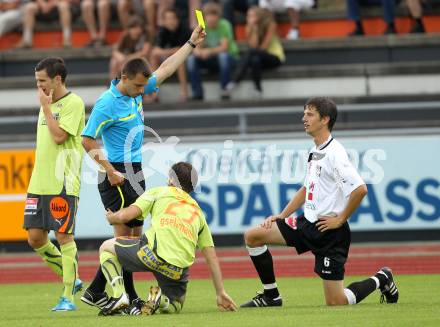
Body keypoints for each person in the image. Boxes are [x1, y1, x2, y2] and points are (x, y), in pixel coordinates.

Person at [80, 25, 206, 315]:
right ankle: (125, 295)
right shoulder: (106, 103)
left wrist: (190, 43)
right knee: (124, 240)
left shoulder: (136, 87)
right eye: (138, 86)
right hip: (117, 173)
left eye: (143, 86)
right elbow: (86, 139)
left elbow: (164, 69)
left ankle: (98, 291)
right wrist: (109, 171)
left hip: (134, 171)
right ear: (123, 78)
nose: (142, 92)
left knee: (133, 240)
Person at [240, 97, 399, 308]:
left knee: (336, 301)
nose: (303, 118)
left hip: (330, 233)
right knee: (253, 236)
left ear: (325, 119)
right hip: (307, 223)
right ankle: (271, 296)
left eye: (309, 114)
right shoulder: (315, 150)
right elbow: (307, 188)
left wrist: (340, 219)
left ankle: (382, 278)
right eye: (304, 113)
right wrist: (283, 215)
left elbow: (360, 189)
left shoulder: (336, 154)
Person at [97, 162, 237, 315]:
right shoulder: (198, 213)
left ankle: (119, 295)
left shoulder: (159, 192)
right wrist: (220, 292)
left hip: (151, 254)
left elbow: (126, 216)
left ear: (171, 179)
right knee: (175, 305)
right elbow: (212, 257)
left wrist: (112, 217)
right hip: (177, 270)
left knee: (106, 247)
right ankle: (161, 300)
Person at [23, 57, 86, 311]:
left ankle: (68, 296)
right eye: (36, 81)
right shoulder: (46, 101)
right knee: (35, 238)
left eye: (42, 81)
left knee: (63, 235)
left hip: (63, 180)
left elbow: (60, 137)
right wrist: (46, 106)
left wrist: (47, 108)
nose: (38, 86)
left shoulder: (74, 103)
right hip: (39, 181)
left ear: (57, 79)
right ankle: (73, 277)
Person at [226, 6, 285, 98]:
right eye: (248, 16)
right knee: (254, 60)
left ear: (259, 16)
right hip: (260, 58)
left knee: (252, 53)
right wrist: (254, 28)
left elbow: (263, 48)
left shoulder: (271, 24)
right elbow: (253, 46)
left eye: (252, 15)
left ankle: (235, 81)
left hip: (274, 57)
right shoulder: (250, 27)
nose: (250, 18)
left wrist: (255, 29)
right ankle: (258, 90)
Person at [186, 1, 239, 101]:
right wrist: (199, 52)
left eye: (213, 15)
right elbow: (197, 48)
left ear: (218, 16)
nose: (211, 18)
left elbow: (224, 48)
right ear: (205, 16)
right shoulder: (202, 26)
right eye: (208, 15)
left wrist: (208, 52)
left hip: (229, 58)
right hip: (211, 59)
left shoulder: (224, 25)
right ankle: (197, 93)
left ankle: (225, 90)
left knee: (223, 56)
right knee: (191, 60)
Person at [150, 8, 191, 102]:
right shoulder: (162, 31)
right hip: (168, 59)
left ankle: (184, 93)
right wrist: (171, 51)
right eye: (167, 19)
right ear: (164, 21)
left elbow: (181, 51)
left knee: (179, 61)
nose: (170, 21)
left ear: (177, 19)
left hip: (186, 60)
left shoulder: (184, 30)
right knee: (153, 58)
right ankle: (154, 94)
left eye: (173, 18)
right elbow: (155, 51)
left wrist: (167, 52)